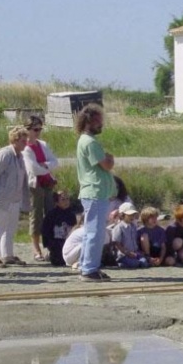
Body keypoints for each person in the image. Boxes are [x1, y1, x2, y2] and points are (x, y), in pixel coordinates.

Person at [76, 104, 116, 282]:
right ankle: (89, 269)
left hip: (94, 193)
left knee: (90, 232)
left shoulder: (86, 141)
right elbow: (106, 164)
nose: (101, 124)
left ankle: (86, 265)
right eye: (98, 121)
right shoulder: (90, 142)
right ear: (88, 122)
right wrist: (110, 158)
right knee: (95, 233)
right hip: (94, 193)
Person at [0, 126, 31, 267]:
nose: (25, 143)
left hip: (14, 198)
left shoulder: (20, 156)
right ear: (14, 140)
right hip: (1, 197)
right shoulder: (4, 154)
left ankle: (7, 254)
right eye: (23, 141)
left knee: (10, 227)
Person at [22, 116, 59, 262]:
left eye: (40, 129)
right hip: (34, 185)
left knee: (50, 214)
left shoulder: (42, 144)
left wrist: (45, 165)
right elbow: (33, 168)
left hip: (47, 183)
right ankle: (36, 248)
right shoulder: (25, 147)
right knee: (36, 217)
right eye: (35, 129)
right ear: (28, 129)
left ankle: (50, 247)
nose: (38, 132)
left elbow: (55, 161)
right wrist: (45, 166)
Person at [41, 190, 77, 266]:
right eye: (63, 199)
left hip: (69, 243)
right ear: (57, 202)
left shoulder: (72, 214)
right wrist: (49, 246)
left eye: (67, 199)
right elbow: (45, 232)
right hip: (56, 244)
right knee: (58, 261)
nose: (66, 201)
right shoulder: (51, 215)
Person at [110, 202, 147, 269]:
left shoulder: (133, 226)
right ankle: (120, 263)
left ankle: (130, 262)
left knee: (144, 262)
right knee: (135, 264)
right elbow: (117, 244)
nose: (132, 217)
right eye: (129, 215)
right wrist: (127, 253)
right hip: (123, 254)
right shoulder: (119, 227)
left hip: (134, 253)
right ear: (122, 215)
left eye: (133, 215)